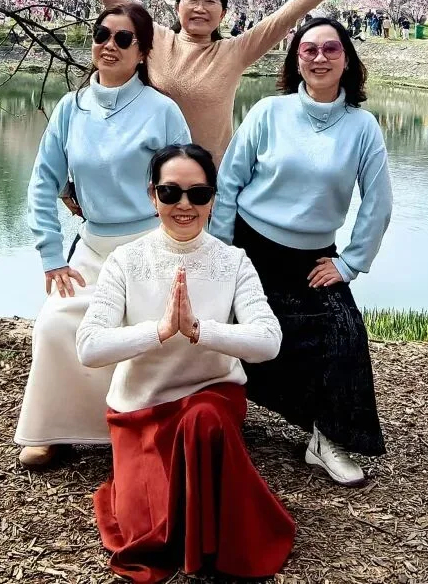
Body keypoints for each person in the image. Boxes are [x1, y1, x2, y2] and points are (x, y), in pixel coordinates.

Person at [76, 143, 294, 583]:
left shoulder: (233, 261)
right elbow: (89, 347)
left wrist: (199, 330)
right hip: (141, 408)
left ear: (213, 199)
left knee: (204, 419)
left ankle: (219, 545)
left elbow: (269, 341)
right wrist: (158, 331)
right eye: (170, 192)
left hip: (210, 399)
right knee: (149, 538)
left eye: (198, 194)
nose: (184, 205)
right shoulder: (125, 260)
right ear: (152, 196)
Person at [37, 0, 373, 162]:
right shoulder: (156, 39)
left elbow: (283, 17)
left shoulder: (234, 52)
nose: (200, 8)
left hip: (209, 182)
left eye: (210, 1)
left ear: (223, 13)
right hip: (151, 179)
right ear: (177, 7)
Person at [212, 18, 392, 486]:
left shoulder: (363, 127)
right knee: (235, 329)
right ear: (296, 60)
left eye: (331, 48)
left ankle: (326, 438)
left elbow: (378, 202)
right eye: (308, 49)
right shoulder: (268, 113)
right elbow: (229, 183)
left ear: (347, 59)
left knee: (344, 336)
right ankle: (213, 416)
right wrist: (221, 252)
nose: (319, 57)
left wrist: (350, 263)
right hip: (251, 246)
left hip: (314, 258)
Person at [14, 3, 191, 469]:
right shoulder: (71, 108)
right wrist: (52, 256)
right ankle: (56, 431)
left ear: (142, 51)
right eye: (102, 35)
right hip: (92, 248)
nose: (109, 46)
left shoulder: (163, 111)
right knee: (55, 322)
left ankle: (142, 429)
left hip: (151, 247)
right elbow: (42, 182)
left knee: (142, 329)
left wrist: (186, 252)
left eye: (123, 39)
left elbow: (186, 188)